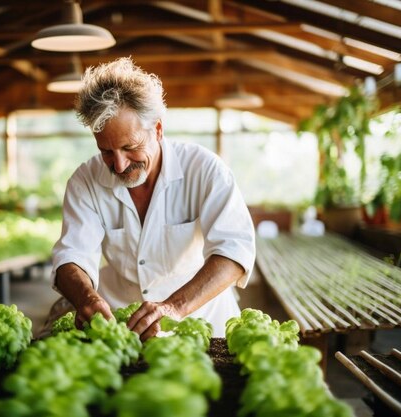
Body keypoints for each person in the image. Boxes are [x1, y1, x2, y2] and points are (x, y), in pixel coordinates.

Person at [50, 57, 255, 340]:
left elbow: (234, 251)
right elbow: (71, 256)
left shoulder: (205, 170)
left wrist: (174, 307)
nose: (119, 165)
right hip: (120, 325)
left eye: (130, 147)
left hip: (201, 323)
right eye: (106, 151)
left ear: (157, 129)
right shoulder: (85, 181)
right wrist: (87, 299)